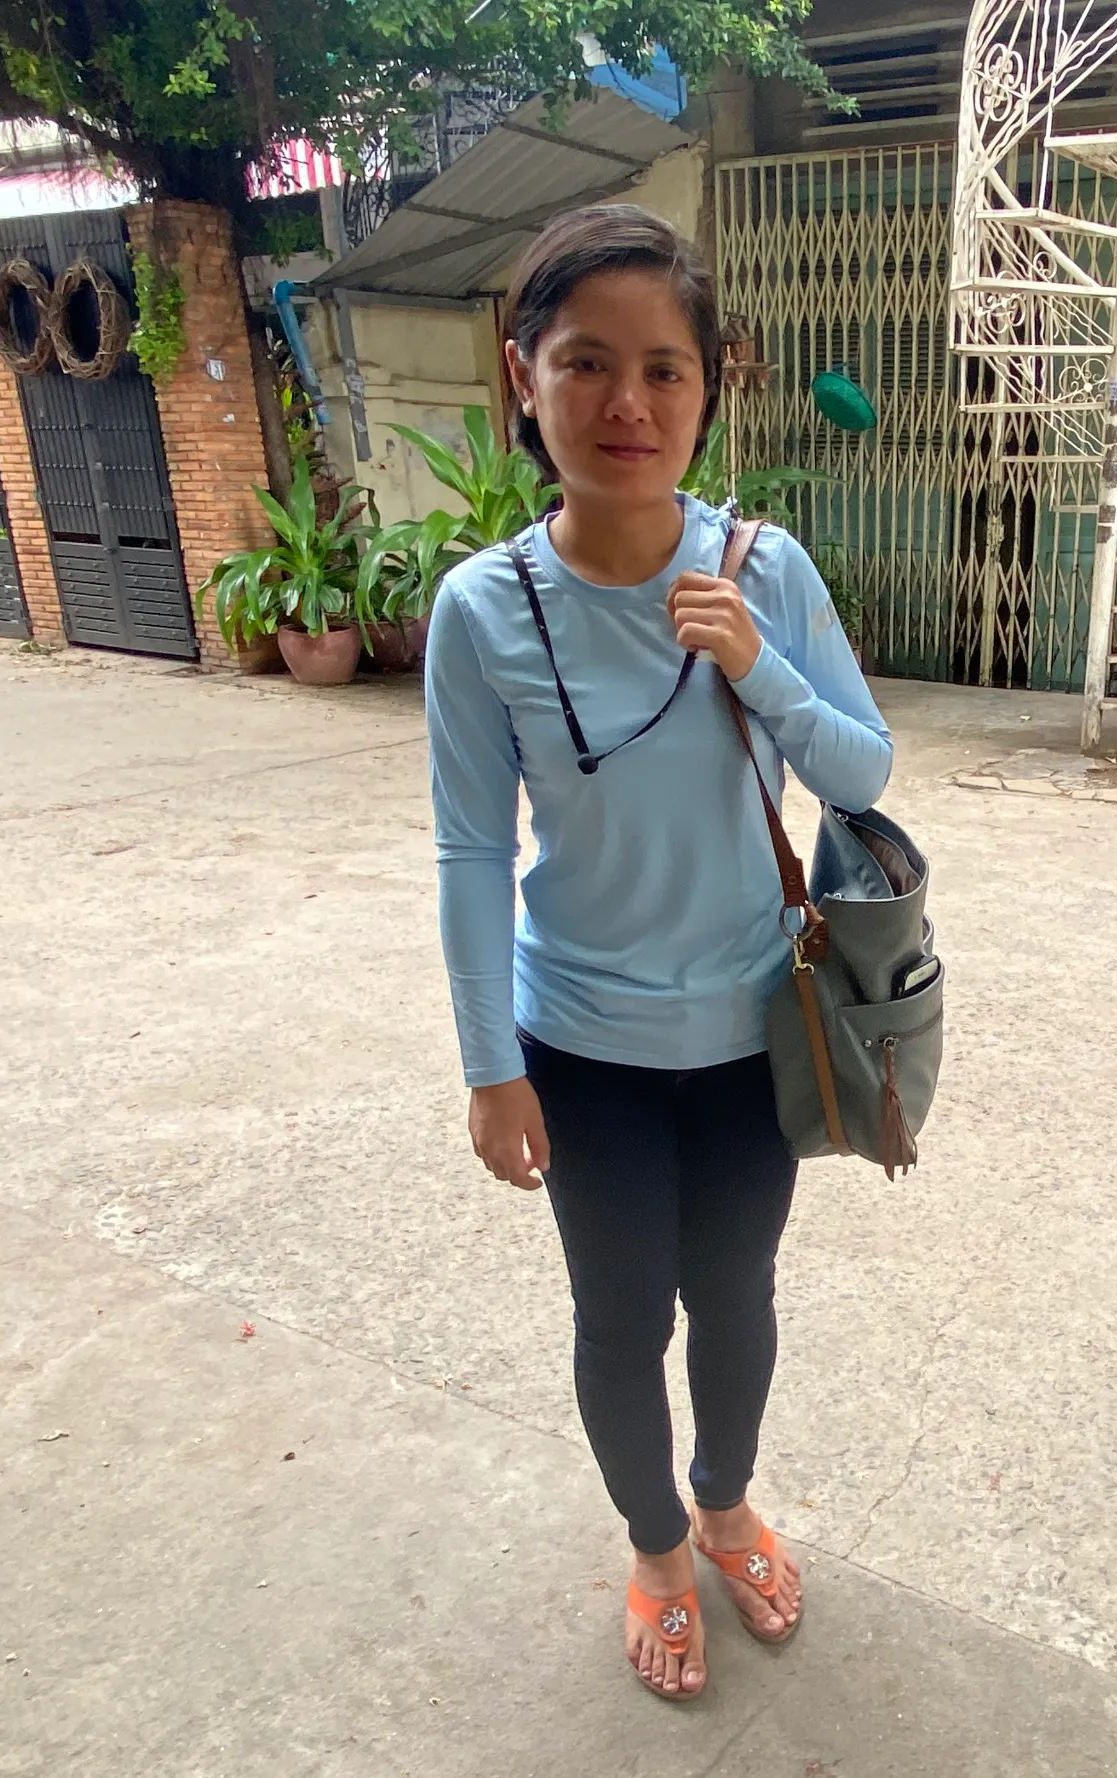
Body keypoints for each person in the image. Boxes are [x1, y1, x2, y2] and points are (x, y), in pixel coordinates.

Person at [423, 204, 892, 1701]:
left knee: (736, 1293)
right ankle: (653, 1544)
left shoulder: (770, 568)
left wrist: (760, 669)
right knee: (620, 1313)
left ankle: (728, 1499)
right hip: (585, 1046)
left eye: (665, 370)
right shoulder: (481, 611)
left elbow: (868, 772)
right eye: (587, 364)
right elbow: (472, 850)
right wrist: (491, 1066)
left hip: (758, 1034)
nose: (628, 403)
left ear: (710, 388)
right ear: (524, 375)